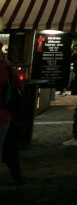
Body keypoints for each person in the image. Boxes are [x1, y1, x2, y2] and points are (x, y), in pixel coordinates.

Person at [1, 53, 26, 186]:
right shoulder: (8, 69)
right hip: (4, 116)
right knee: (9, 149)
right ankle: (18, 178)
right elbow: (21, 89)